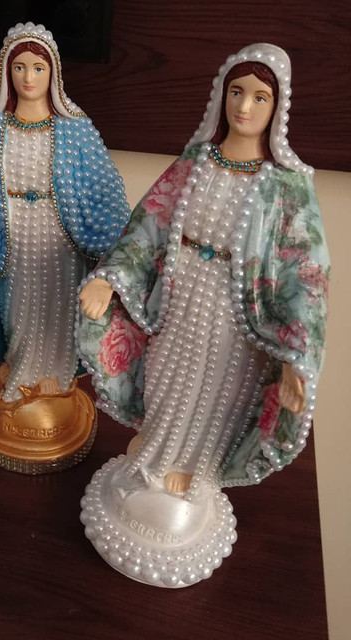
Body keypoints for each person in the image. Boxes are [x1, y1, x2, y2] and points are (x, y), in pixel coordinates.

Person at [78, 43, 329, 586]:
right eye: (237, 92)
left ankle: (192, 474)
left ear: (278, 107)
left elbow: (304, 277)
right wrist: (109, 277)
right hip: (180, 297)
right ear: (220, 96)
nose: (245, 106)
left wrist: (297, 356)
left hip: (238, 318)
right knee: (167, 379)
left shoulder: (287, 187)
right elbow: (147, 225)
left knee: (216, 392)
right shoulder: (194, 163)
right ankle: (153, 457)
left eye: (259, 97)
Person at [0, 22, 130, 472]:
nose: (29, 77)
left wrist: (112, 252)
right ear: (6, 73)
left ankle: (57, 382)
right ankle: (20, 375)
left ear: (54, 73)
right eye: (20, 67)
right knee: (19, 310)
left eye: (38, 67)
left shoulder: (75, 129)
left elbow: (103, 190)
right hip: (13, 244)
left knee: (59, 310)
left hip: (62, 242)